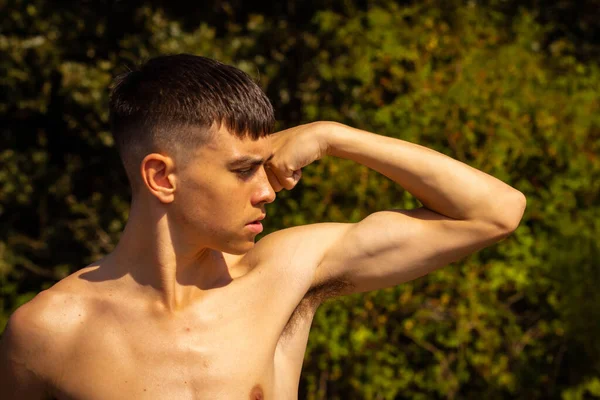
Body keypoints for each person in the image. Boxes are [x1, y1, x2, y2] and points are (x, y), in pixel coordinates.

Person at [0, 54, 526, 399]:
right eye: (243, 169)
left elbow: (494, 212)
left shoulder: (284, 275)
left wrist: (334, 135)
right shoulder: (47, 332)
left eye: (264, 165)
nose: (268, 190)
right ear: (161, 175)